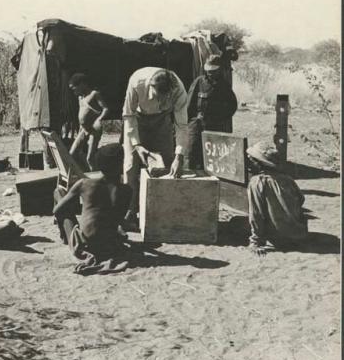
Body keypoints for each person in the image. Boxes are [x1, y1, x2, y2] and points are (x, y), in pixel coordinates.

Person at [121, 67, 188, 229]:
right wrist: (137, 144)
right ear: (151, 87)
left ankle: (164, 212)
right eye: (157, 96)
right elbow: (128, 114)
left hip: (162, 120)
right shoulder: (137, 81)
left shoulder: (179, 91)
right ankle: (129, 213)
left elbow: (182, 125)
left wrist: (179, 156)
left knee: (168, 163)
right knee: (130, 165)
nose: (159, 101)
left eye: (165, 98)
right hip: (137, 119)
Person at [53, 143, 133, 275]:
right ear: (121, 164)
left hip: (85, 244)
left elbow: (57, 210)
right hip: (109, 245)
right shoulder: (126, 191)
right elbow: (118, 219)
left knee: (58, 193)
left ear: (99, 165)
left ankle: (65, 237)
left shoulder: (85, 184)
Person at [246, 142, 308, 256]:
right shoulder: (288, 179)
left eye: (252, 160)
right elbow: (301, 199)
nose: (249, 163)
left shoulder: (257, 182)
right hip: (299, 234)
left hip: (279, 239)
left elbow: (256, 214)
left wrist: (256, 242)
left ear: (259, 163)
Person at [186, 54, 238, 169]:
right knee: (192, 155)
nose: (210, 73)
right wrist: (190, 124)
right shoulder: (199, 82)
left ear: (219, 70)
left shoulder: (224, 86)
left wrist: (219, 118)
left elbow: (232, 106)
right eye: (208, 70)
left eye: (213, 71)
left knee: (213, 160)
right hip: (197, 125)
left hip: (215, 127)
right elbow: (189, 104)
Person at [68, 73, 109, 171]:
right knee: (71, 154)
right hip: (84, 129)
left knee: (90, 158)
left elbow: (105, 108)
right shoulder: (80, 98)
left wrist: (99, 119)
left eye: (75, 88)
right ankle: (83, 173)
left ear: (82, 84)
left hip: (94, 129)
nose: (74, 92)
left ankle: (95, 179)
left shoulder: (94, 94)